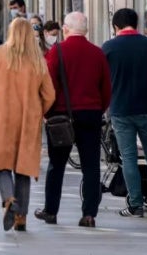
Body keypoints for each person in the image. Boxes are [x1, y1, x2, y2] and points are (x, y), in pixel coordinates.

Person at [34, 12, 111, 228]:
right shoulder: (97, 53)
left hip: (61, 116)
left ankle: (51, 211)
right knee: (91, 166)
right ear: (85, 30)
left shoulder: (56, 53)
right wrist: (98, 109)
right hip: (90, 115)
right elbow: (106, 89)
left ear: (66, 29)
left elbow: (48, 86)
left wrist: (47, 114)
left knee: (56, 165)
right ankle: (89, 214)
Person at [0, 18, 55, 232]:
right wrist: (38, 110)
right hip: (28, 121)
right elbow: (50, 94)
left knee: (1, 164)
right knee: (23, 168)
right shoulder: (38, 60)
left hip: (1, 118)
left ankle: (8, 199)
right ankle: (21, 217)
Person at [102, 8, 147, 217]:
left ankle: (135, 205)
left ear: (115, 26)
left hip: (121, 109)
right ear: (137, 24)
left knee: (128, 158)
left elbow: (102, 80)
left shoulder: (109, 48)